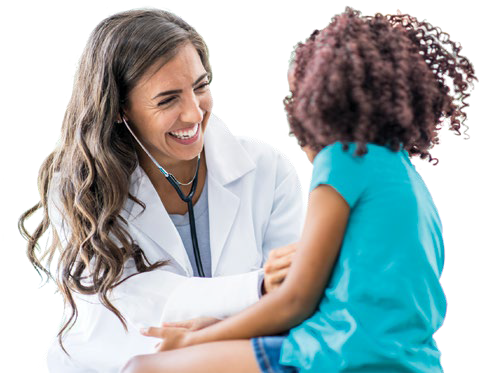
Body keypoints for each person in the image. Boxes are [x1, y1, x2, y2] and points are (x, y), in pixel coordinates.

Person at [121, 7, 477, 373]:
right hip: (408, 360)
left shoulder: (342, 162)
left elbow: (296, 300)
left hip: (340, 356)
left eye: (296, 99)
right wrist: (221, 328)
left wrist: (196, 339)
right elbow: (347, 298)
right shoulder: (404, 177)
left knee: (144, 368)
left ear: (320, 104)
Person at [18, 8, 303, 372]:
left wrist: (223, 333)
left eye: (200, 86)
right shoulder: (80, 188)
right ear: (120, 110)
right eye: (168, 99)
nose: (194, 114)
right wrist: (254, 296)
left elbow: (295, 299)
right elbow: (135, 303)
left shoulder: (267, 169)